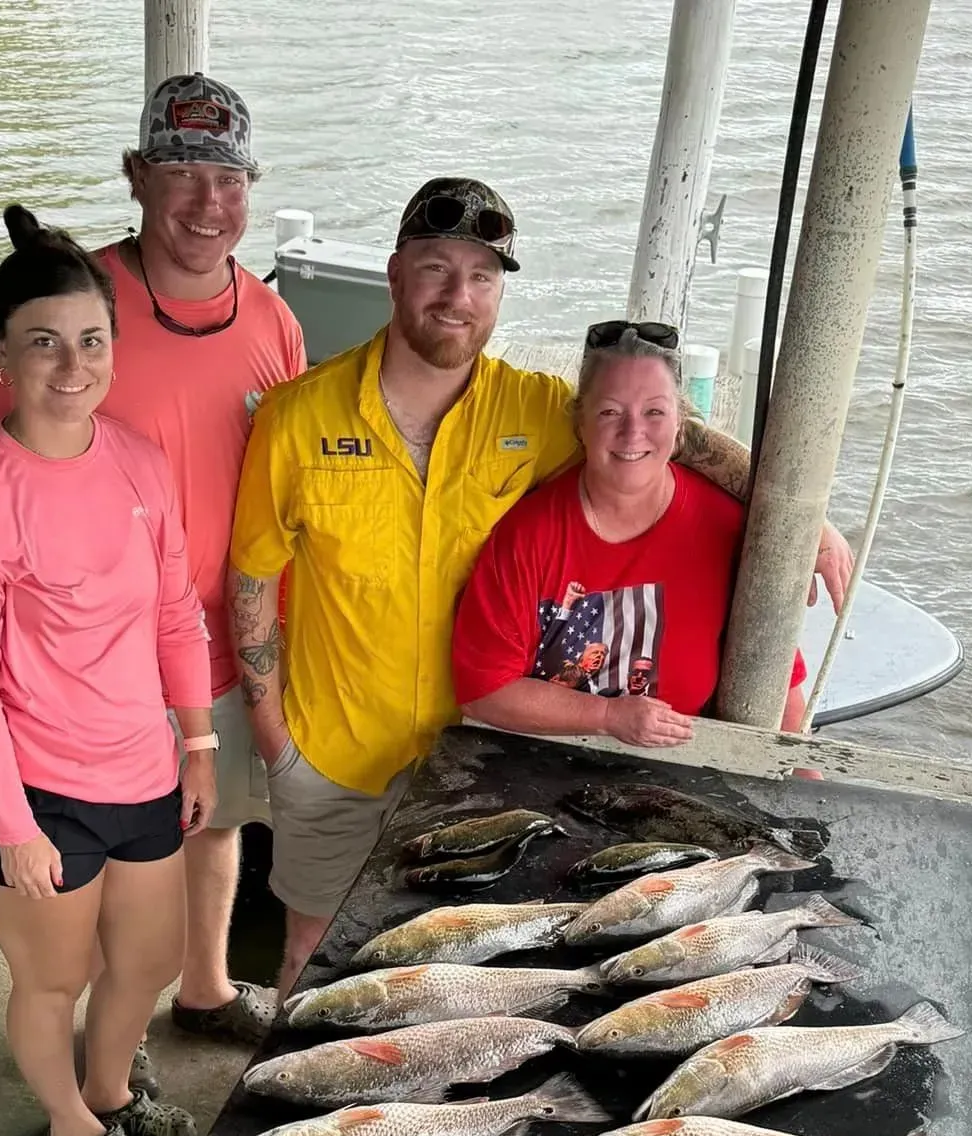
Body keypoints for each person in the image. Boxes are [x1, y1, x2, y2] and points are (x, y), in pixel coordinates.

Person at [228, 177, 850, 992]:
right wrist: (277, 740)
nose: (458, 296)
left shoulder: (537, 408)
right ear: (394, 273)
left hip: (482, 761)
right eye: (436, 268)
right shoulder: (296, 416)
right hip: (336, 752)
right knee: (313, 957)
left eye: (482, 277)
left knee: (449, 970)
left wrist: (796, 512)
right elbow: (250, 580)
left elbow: (647, 425)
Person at [0, 77, 304, 1048]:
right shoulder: (75, 308)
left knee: (217, 823)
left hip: (221, 641)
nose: (208, 202)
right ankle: (79, 1037)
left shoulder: (275, 323)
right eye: (180, 173)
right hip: (83, 665)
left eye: (228, 176)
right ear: (135, 176)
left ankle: (203, 989)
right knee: (82, 888)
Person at [0, 205, 213, 1136]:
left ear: (114, 350)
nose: (71, 363)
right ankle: (72, 1123)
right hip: (35, 788)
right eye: (43, 342)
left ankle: (112, 1081)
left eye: (90, 340)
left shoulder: (138, 461)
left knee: (152, 957)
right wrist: (12, 826)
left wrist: (199, 742)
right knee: (55, 976)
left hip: (142, 767)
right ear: (3, 353)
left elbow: (174, 608)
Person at [451, 320, 810, 742]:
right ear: (580, 425)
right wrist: (607, 715)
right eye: (610, 412)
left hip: (681, 767)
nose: (632, 432)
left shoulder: (727, 529)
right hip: (539, 763)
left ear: (680, 423)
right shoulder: (527, 535)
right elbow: (482, 690)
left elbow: (781, 687)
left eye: (654, 411)